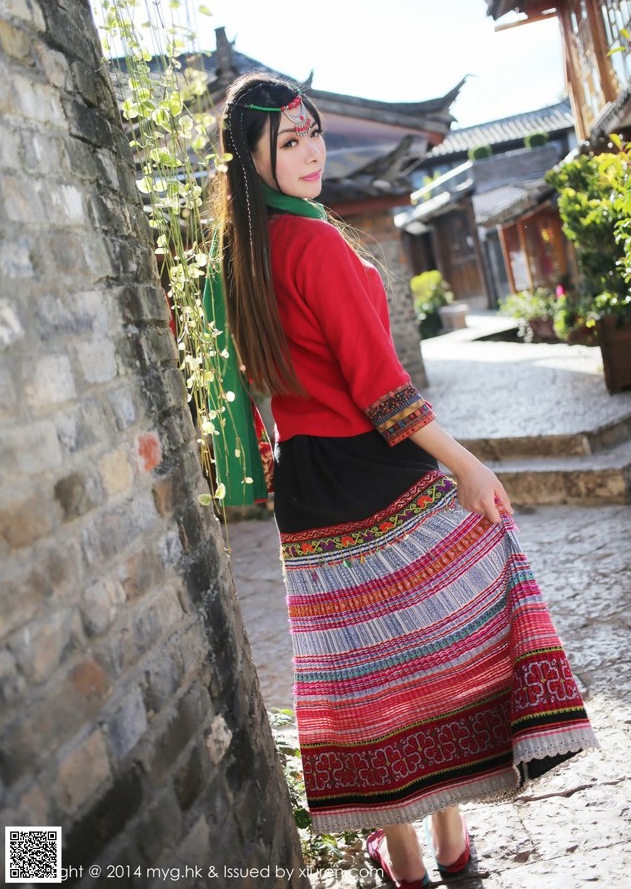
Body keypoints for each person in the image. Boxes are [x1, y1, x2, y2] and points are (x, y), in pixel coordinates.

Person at [205, 72, 597, 888]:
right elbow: (384, 391)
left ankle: (410, 857)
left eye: (313, 132)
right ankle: (448, 845)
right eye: (289, 141)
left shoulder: (244, 256)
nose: (312, 150)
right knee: (446, 641)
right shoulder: (313, 243)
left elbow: (266, 396)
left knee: (367, 673)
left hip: (308, 488)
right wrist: (469, 464)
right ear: (252, 159)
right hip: (375, 464)